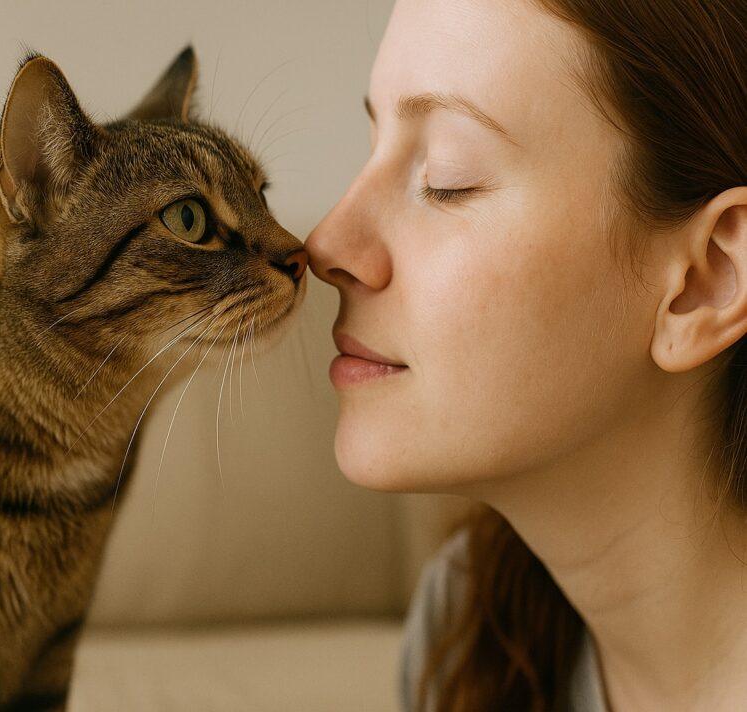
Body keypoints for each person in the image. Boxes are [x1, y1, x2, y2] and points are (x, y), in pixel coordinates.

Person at [304, 0, 747, 710]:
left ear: (704, 282)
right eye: (370, 145)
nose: (326, 244)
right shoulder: (470, 627)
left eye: (447, 178)